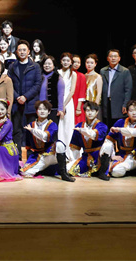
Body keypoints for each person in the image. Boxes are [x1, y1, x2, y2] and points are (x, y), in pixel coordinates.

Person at [101, 100, 136, 179]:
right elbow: (109, 139)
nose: (134, 113)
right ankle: (134, 171)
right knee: (116, 172)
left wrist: (120, 130)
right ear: (127, 112)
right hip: (124, 156)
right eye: (131, 110)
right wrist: (112, 156)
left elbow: (134, 132)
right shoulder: (120, 122)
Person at [8, 41, 42, 149]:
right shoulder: (12, 66)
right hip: (16, 103)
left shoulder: (35, 66)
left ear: (28, 52)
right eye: (20, 50)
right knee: (16, 130)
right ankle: (17, 155)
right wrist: (17, 97)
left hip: (30, 103)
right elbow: (9, 84)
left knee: (30, 131)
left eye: (24, 50)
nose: (22, 52)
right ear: (16, 52)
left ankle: (30, 154)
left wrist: (25, 97)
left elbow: (37, 84)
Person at [67, 100, 110, 179]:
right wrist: (74, 161)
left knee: (108, 145)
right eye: (88, 111)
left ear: (97, 112)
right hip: (86, 158)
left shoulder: (102, 126)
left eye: (92, 111)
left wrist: (82, 130)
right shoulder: (79, 125)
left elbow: (94, 134)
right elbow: (75, 147)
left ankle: (103, 172)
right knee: (68, 169)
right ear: (84, 112)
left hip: (98, 157)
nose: (90, 113)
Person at [52, 53, 78, 181]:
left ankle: (67, 154)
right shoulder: (56, 72)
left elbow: (72, 91)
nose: (66, 62)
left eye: (68, 60)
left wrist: (63, 105)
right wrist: (58, 104)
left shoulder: (73, 74)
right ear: (61, 61)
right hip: (57, 101)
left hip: (68, 102)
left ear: (71, 62)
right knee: (59, 128)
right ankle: (59, 152)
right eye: (64, 60)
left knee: (67, 128)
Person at [100, 49, 133, 126]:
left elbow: (128, 89)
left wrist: (125, 104)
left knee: (118, 124)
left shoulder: (125, 71)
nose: (113, 58)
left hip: (119, 103)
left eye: (115, 56)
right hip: (106, 102)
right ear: (107, 58)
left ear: (119, 58)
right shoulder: (103, 71)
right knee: (106, 123)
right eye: (111, 56)